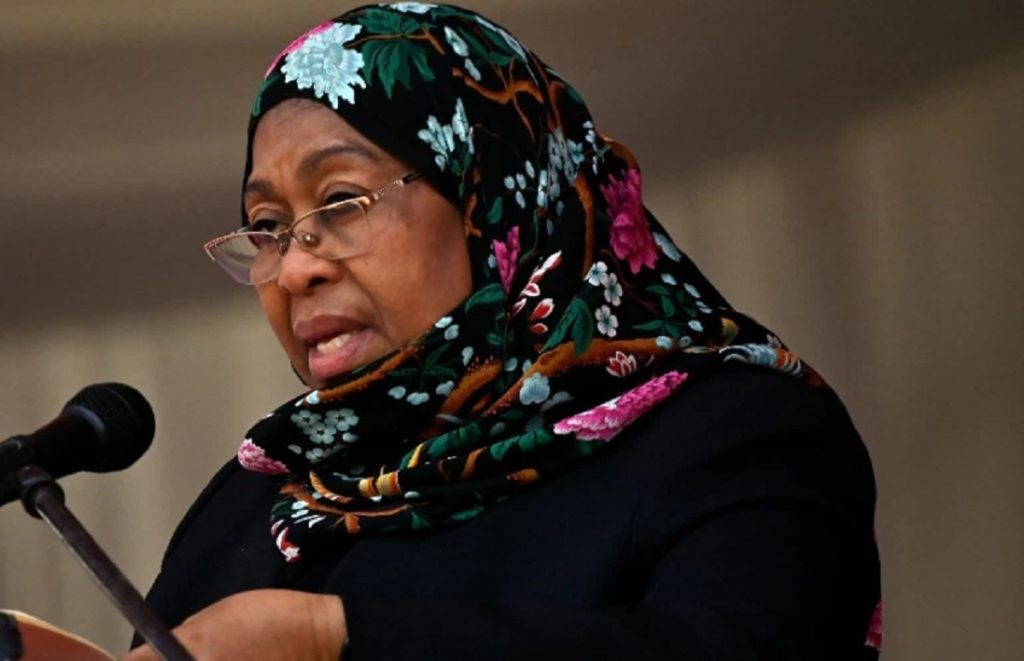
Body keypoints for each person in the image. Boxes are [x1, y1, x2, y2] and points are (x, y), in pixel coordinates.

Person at [125, 4, 881, 659]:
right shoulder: (262, 494)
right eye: (267, 226)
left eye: (344, 200)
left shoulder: (732, 431)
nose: (293, 269)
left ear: (491, 196)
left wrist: (336, 639)